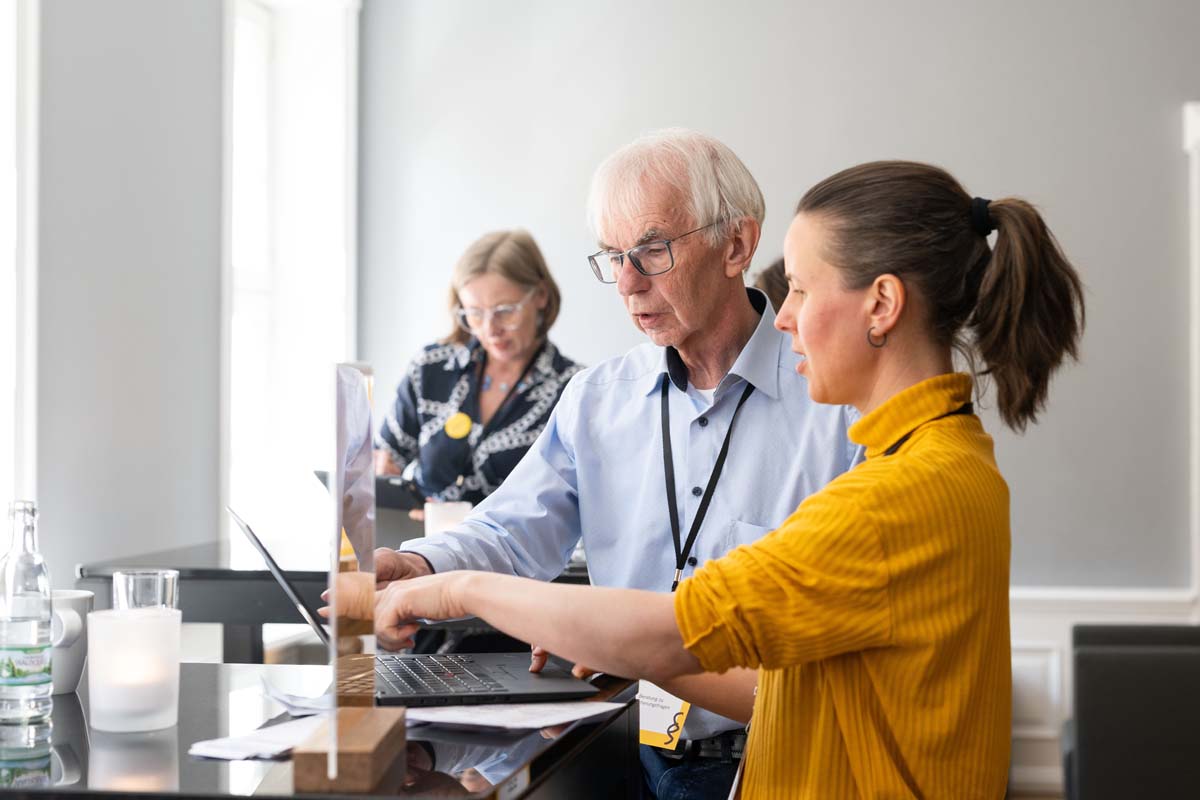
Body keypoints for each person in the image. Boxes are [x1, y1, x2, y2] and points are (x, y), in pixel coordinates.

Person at [373, 160, 1086, 798]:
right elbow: (790, 675)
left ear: (881, 305)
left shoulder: (893, 492)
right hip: (649, 743)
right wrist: (584, 636)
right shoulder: (946, 457)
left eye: (801, 289)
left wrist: (456, 589)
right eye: (614, 256)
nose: (790, 318)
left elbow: (681, 632)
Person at [372, 129, 861, 800]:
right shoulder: (597, 399)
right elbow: (513, 529)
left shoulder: (837, 404)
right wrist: (422, 565)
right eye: (612, 256)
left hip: (774, 760)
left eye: (652, 251)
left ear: (738, 245)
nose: (627, 283)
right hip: (614, 742)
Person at [375, 229, 581, 512]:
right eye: (474, 313)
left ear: (541, 296)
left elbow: (572, 508)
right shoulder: (431, 369)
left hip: (512, 555)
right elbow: (384, 460)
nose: (490, 329)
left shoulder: (575, 391)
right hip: (418, 549)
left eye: (505, 310)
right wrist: (384, 478)